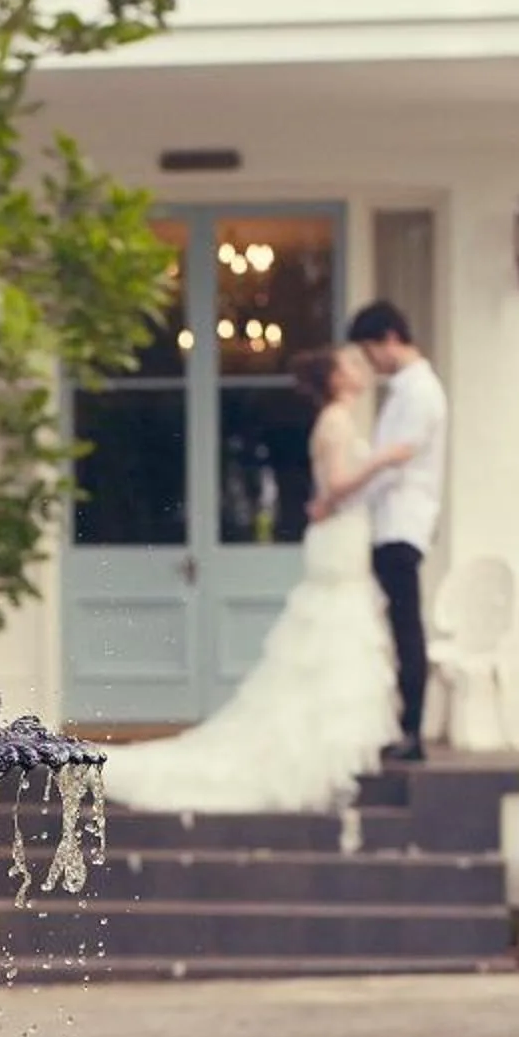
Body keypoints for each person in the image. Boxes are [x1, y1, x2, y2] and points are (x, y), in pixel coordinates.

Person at [104, 344, 412, 814]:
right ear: (335, 378)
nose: (361, 369)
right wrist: (383, 460)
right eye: (351, 364)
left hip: (345, 534)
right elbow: (335, 486)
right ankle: (320, 751)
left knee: (339, 635)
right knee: (331, 631)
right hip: (338, 539)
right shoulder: (335, 421)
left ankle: (336, 750)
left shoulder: (342, 420)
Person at [328, 299, 448, 766]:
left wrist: (345, 490)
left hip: (403, 522)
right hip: (390, 520)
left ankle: (412, 730)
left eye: (370, 350)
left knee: (406, 626)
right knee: (399, 625)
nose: (370, 362)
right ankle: (403, 727)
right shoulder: (404, 391)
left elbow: (397, 458)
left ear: (391, 339)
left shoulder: (420, 392)